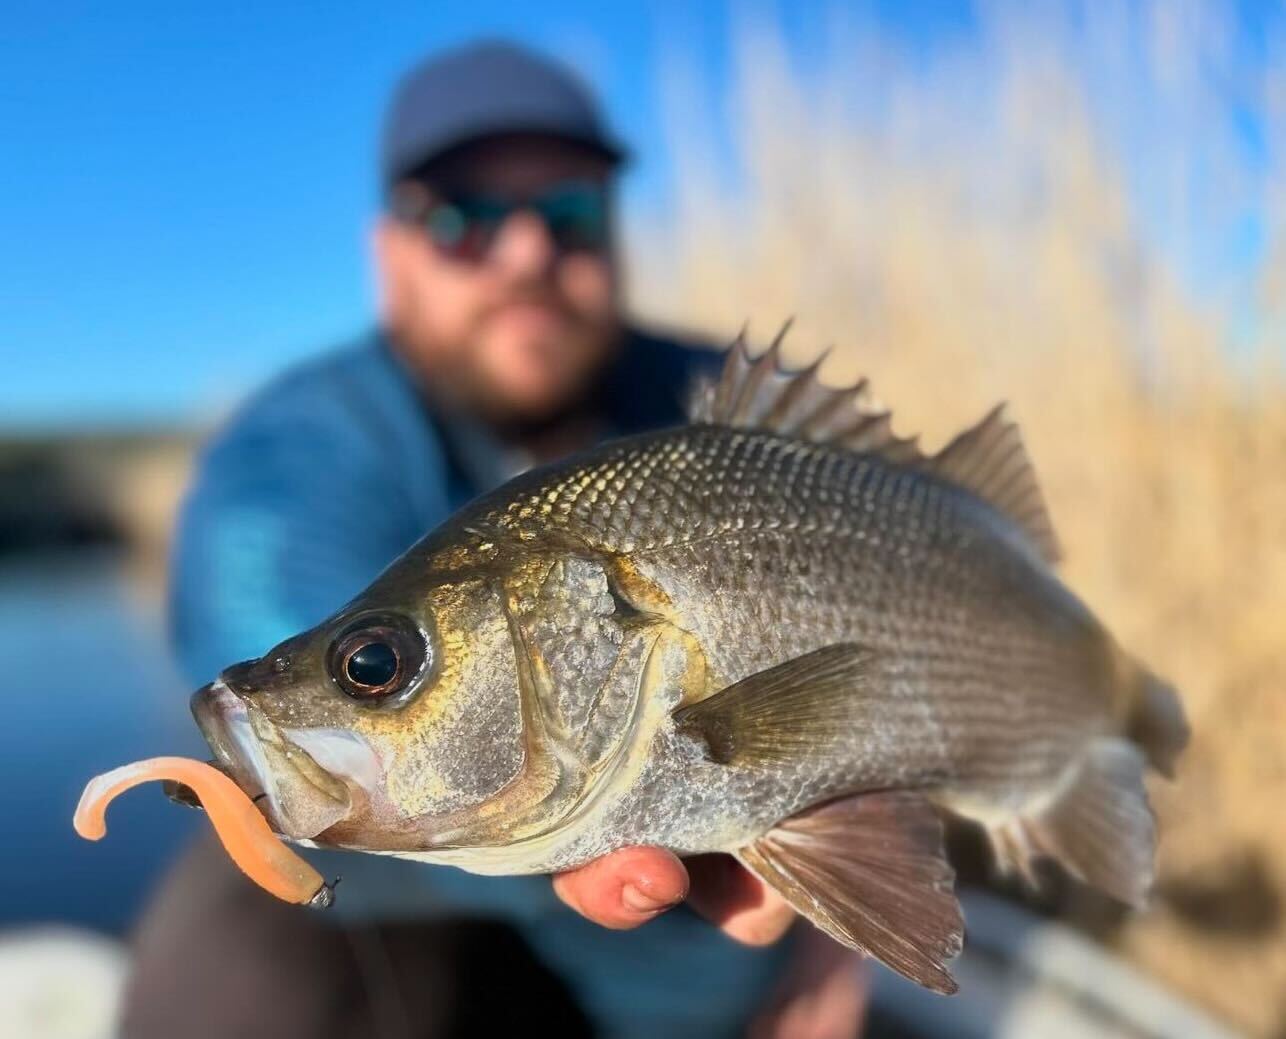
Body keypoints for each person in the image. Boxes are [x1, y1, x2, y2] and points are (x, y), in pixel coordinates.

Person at [121, 41, 867, 1038]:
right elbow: (343, 729)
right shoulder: (297, 448)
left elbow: (883, 643)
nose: (525, 253)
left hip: (697, 953)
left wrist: (838, 909)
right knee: (240, 970)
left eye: (568, 214)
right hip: (412, 924)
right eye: (464, 217)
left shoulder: (715, 404)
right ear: (388, 256)